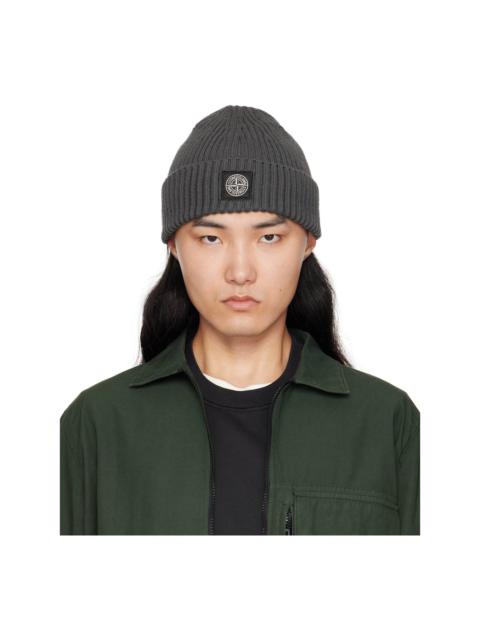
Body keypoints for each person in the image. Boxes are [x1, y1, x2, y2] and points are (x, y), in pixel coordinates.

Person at [60, 105, 420, 535]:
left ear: (307, 243)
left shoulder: (388, 423)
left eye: (269, 237)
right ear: (174, 245)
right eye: (211, 238)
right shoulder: (95, 426)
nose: (241, 271)